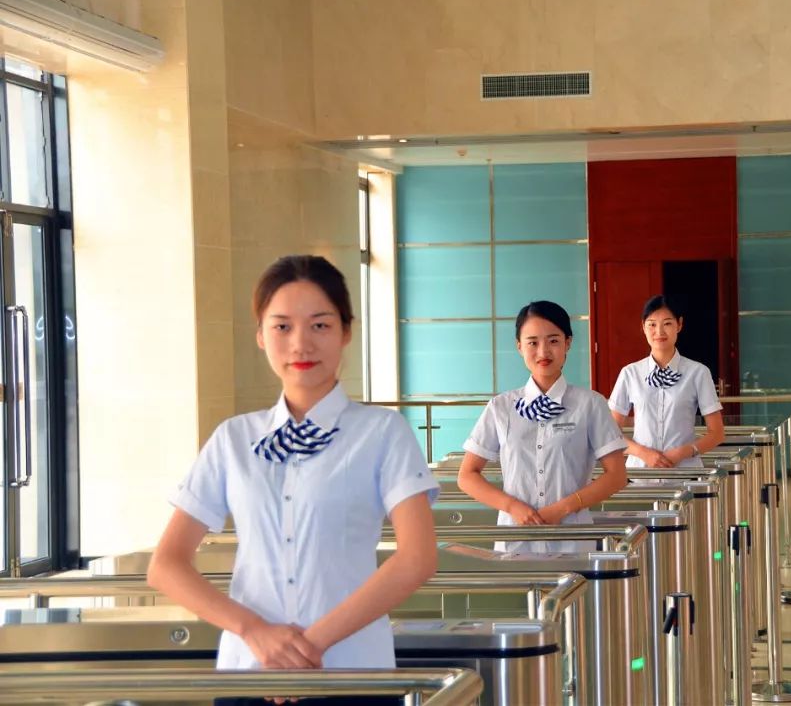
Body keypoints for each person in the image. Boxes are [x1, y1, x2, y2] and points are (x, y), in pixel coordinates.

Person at [148, 255, 439, 694]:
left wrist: (307, 647)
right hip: (249, 672)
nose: (300, 344)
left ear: (346, 332)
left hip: (352, 671)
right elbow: (166, 565)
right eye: (282, 326)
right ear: (260, 335)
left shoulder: (382, 432)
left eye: (320, 325)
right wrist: (255, 633)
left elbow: (417, 558)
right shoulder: (233, 438)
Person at [457, 300, 627, 553]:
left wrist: (562, 508)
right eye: (533, 342)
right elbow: (467, 475)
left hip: (572, 538)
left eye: (553, 341)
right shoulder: (501, 407)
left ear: (568, 343)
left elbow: (616, 475)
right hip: (515, 538)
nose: (543, 351)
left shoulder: (590, 404)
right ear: (519, 346)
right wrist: (513, 507)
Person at [609, 295, 725, 469]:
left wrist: (684, 452)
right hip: (641, 475)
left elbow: (717, 433)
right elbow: (610, 432)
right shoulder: (630, 373)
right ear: (643, 327)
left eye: (667, 323)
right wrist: (643, 453)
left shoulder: (698, 373)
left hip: (685, 473)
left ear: (679, 325)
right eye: (652, 324)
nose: (659, 332)